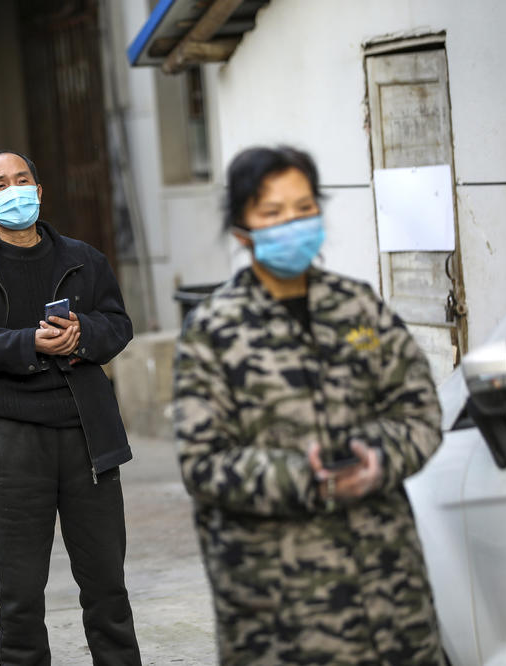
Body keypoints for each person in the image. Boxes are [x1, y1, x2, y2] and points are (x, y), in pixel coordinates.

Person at [173, 145, 444, 665]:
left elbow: (420, 411)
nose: (291, 223)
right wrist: (306, 476)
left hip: (391, 598)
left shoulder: (358, 305)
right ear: (241, 229)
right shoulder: (214, 330)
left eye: (303, 208)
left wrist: (377, 458)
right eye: (272, 213)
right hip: (280, 612)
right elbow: (201, 462)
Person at [0, 151, 141, 665]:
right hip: (12, 439)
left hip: (87, 438)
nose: (15, 190)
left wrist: (81, 334)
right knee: (22, 597)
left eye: (22, 179)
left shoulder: (84, 259)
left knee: (107, 588)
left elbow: (118, 324)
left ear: (40, 191)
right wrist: (27, 343)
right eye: (1, 184)